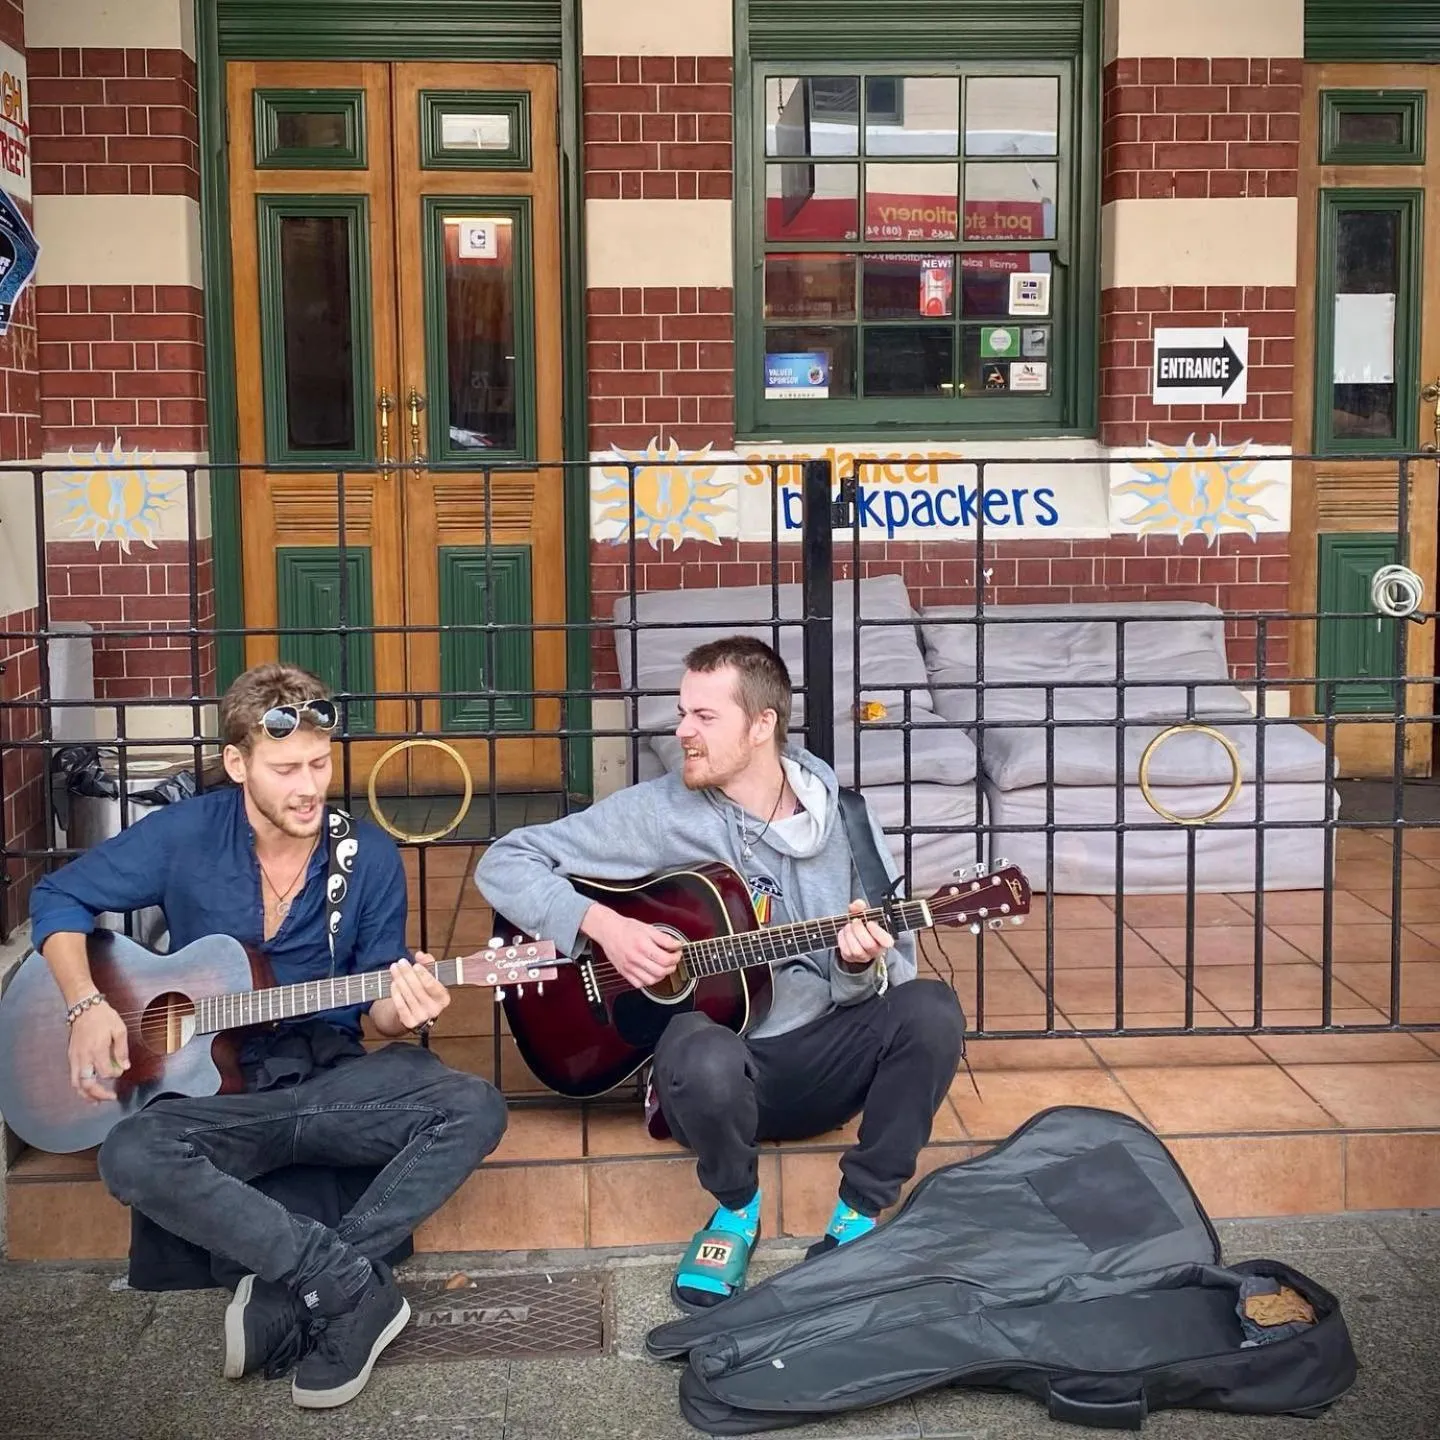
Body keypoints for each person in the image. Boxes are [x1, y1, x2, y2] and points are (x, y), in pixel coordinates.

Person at [30, 663, 507, 1408]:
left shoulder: (366, 858)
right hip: (222, 1095)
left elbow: (378, 1010)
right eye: (286, 770)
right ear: (237, 764)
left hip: (329, 1084)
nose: (309, 787)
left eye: (319, 764)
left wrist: (407, 1007)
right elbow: (58, 896)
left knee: (474, 1106)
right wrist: (85, 1004)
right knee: (131, 1152)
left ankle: (308, 1285)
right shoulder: (188, 834)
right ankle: (350, 1285)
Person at [475, 636, 964, 1309]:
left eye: (704, 717)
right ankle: (736, 1210)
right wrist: (605, 927)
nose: (683, 731)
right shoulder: (660, 812)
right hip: (716, 1081)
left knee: (932, 1010)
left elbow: (894, 973)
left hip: (826, 1064)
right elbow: (503, 863)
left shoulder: (848, 822)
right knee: (698, 1047)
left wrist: (855, 964)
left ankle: (858, 1213)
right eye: (683, 713)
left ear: (762, 725)